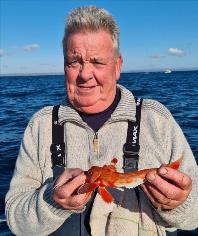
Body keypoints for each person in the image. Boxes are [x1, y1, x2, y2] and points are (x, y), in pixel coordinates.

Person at [5, 6, 198, 236]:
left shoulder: (157, 120)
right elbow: (16, 221)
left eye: (97, 62)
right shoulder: (41, 126)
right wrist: (51, 201)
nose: (85, 74)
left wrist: (178, 203)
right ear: (64, 65)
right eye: (74, 62)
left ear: (117, 66)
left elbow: (194, 215)